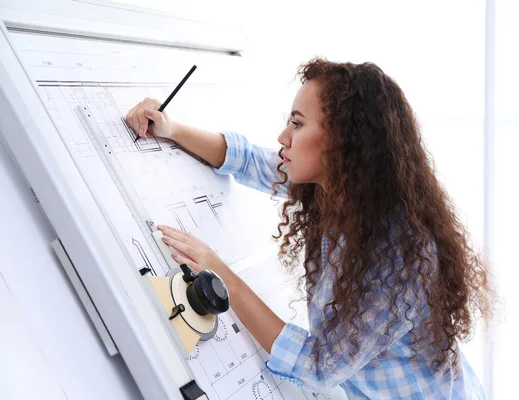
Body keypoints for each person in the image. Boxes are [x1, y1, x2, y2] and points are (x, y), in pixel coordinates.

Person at [126, 58, 493, 399]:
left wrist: (221, 275)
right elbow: (250, 160)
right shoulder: (339, 189)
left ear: (343, 142)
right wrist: (171, 129)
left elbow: (318, 366)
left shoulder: (397, 257)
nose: (284, 136)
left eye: (298, 124)